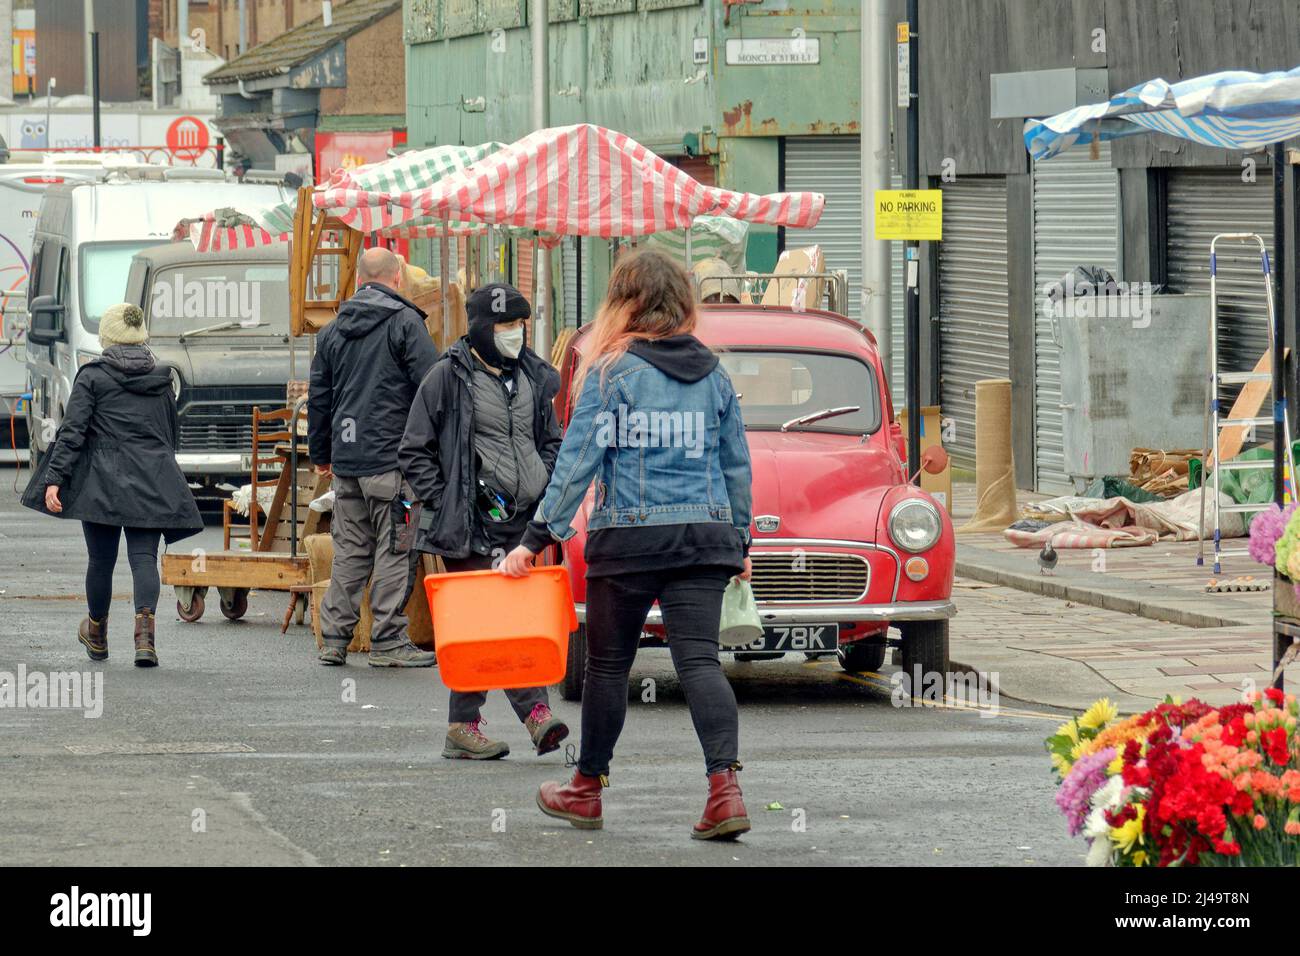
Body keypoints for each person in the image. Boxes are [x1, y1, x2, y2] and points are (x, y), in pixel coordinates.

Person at [500, 248, 755, 840]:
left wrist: (536, 538)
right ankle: (726, 790)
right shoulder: (715, 375)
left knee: (609, 667)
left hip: (629, 542)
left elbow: (577, 463)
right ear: (682, 304)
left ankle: (586, 789)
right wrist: (739, 540)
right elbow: (736, 466)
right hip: (704, 540)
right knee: (699, 663)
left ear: (625, 303)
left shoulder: (611, 370)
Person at [399, 281, 569, 760]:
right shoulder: (446, 378)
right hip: (473, 526)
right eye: (505, 325)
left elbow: (550, 437)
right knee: (493, 624)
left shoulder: (535, 376)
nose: (515, 333)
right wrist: (450, 497)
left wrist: (548, 477)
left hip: (522, 523)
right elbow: (414, 448)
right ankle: (534, 714)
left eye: (520, 324)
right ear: (481, 328)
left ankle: (462, 726)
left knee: (498, 625)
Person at [22, 302, 203, 667]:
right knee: (143, 560)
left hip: (101, 482)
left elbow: (72, 433)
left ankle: (97, 634)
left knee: (101, 562)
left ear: (107, 337)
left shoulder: (92, 377)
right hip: (151, 479)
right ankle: (145, 639)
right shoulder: (162, 377)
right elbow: (170, 434)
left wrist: (53, 479)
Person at [308, 247, 439, 667]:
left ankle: (334, 639)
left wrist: (322, 454)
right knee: (396, 549)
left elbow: (320, 398)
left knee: (351, 551)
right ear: (398, 275)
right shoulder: (406, 324)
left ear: (359, 278)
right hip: (394, 465)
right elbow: (432, 391)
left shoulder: (331, 331)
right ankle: (387, 642)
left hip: (347, 465)